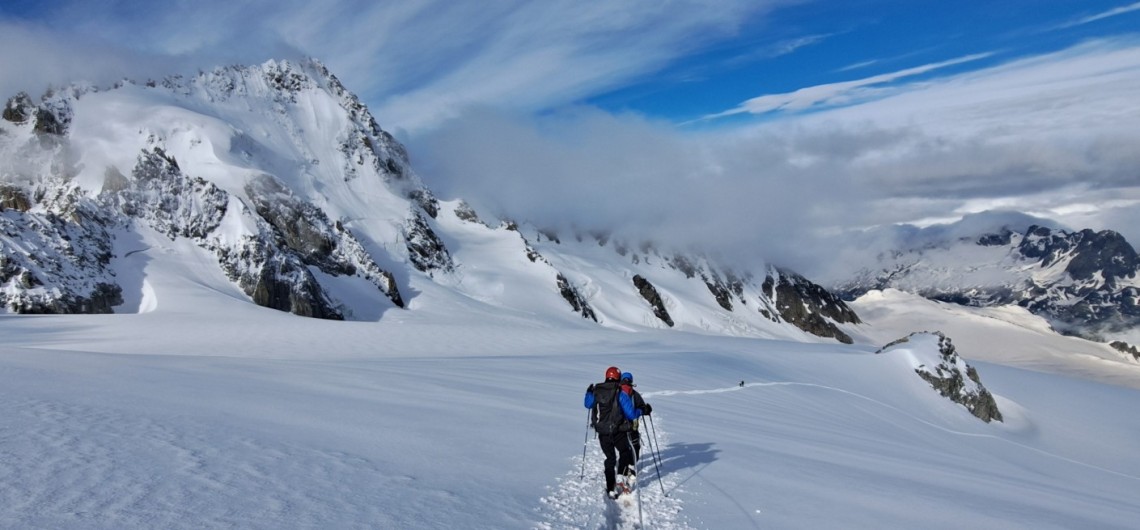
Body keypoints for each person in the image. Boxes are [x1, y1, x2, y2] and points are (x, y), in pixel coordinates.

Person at [584, 366, 650, 498]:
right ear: (618, 378)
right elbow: (631, 414)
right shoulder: (620, 392)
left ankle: (610, 488)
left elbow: (588, 404)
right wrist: (643, 411)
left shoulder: (597, 390)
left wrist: (589, 392)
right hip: (618, 431)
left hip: (602, 432)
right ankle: (620, 475)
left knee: (610, 459)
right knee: (625, 451)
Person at [620, 371, 651, 462]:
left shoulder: (616, 392)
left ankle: (622, 464)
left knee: (622, 445)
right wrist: (645, 410)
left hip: (618, 424)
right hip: (632, 424)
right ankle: (632, 463)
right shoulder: (634, 394)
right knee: (634, 445)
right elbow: (642, 407)